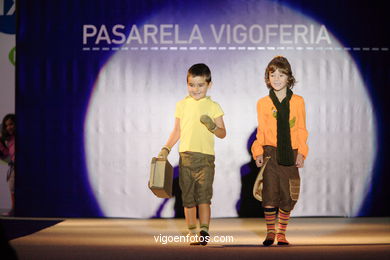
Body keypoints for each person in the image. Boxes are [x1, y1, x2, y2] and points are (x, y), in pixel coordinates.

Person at [157, 63, 226, 245]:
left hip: (205, 159)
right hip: (185, 158)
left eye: (200, 85)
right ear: (186, 84)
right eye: (191, 85)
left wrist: (212, 126)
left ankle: (204, 230)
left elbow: (222, 133)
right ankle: (191, 232)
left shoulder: (213, 106)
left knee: (204, 197)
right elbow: (177, 131)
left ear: (209, 84)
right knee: (187, 198)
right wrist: (166, 148)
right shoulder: (181, 105)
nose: (195, 89)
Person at [251, 56, 308, 246]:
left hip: (290, 153)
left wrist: (302, 152)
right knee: (269, 193)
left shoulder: (298, 102)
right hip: (269, 153)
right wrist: (257, 151)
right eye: (272, 74)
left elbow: (301, 129)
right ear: (267, 77)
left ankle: (281, 233)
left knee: (288, 194)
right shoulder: (263, 103)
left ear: (288, 78)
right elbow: (262, 130)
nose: (276, 78)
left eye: (281, 75)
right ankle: (270, 233)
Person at [0, 114, 16, 216]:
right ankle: (14, 209)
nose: (8, 127)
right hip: (14, 166)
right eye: (6, 125)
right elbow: (6, 154)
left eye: (11, 124)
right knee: (12, 186)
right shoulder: (9, 139)